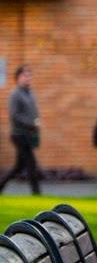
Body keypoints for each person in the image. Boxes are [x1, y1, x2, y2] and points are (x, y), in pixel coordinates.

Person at [0, 66, 42, 195]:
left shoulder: (30, 93)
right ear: (18, 78)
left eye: (29, 75)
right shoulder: (15, 94)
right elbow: (15, 115)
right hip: (19, 134)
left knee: (18, 167)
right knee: (31, 164)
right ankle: (36, 194)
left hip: (29, 134)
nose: (28, 78)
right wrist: (31, 124)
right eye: (25, 75)